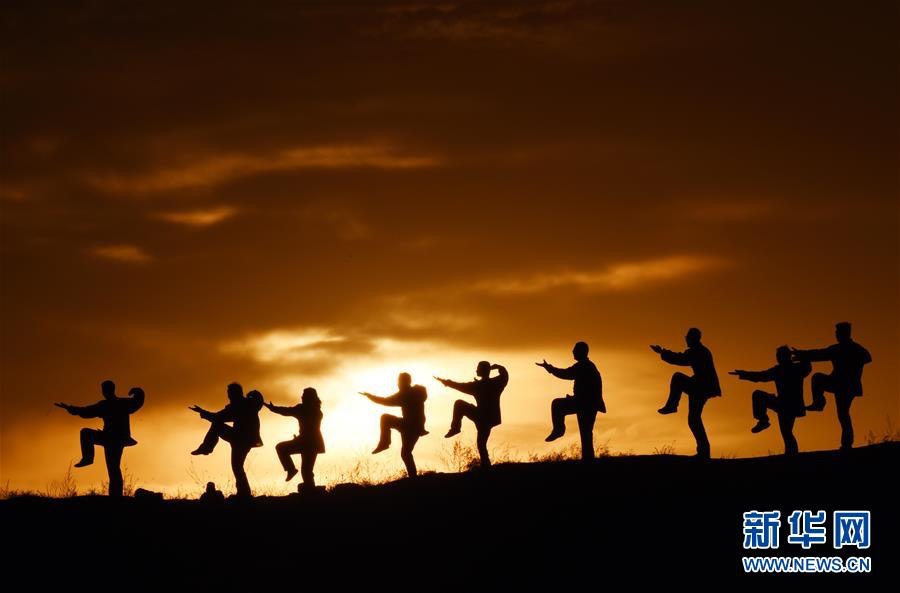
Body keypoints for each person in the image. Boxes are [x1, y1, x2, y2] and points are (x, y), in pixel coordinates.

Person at [55, 380, 145, 497]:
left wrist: (138, 391)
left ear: (107, 391)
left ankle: (115, 494)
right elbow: (87, 411)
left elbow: (138, 401)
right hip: (111, 438)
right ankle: (88, 459)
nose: (104, 392)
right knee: (113, 467)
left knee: (113, 467)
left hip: (113, 439)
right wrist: (71, 408)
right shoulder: (117, 404)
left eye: (104, 390)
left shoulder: (113, 404)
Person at [791, 322, 872, 450]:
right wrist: (802, 354)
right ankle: (819, 402)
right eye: (836, 333)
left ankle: (846, 444)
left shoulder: (853, 348)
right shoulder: (838, 349)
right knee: (818, 379)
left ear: (844, 334)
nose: (836, 335)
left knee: (843, 413)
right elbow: (819, 354)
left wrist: (852, 362)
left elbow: (868, 358)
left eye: (838, 333)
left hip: (848, 385)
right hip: (838, 383)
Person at [652, 328, 721, 460]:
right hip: (700, 386)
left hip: (701, 387)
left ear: (693, 338)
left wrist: (662, 352)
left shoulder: (698, 351)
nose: (686, 340)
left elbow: (680, 359)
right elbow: (682, 358)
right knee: (694, 419)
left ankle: (672, 406)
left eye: (688, 337)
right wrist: (663, 352)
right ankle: (704, 452)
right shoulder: (699, 350)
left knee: (677, 377)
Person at [730, 346, 812, 455]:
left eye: (780, 356)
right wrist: (744, 374)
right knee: (758, 395)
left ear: (786, 357)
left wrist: (802, 356)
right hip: (782, 403)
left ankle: (791, 454)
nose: (778, 359)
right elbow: (761, 376)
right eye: (778, 356)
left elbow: (807, 367)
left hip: (790, 405)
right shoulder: (782, 369)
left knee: (786, 432)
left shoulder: (795, 369)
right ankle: (763, 420)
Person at [189, 383, 263, 498]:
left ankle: (206, 448)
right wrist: (254, 394)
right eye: (228, 394)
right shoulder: (248, 403)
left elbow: (219, 417)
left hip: (240, 438)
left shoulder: (240, 405)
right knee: (237, 467)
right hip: (242, 439)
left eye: (230, 393)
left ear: (236, 393)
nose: (228, 396)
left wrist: (202, 412)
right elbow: (258, 402)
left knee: (217, 425)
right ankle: (244, 493)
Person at [536, 341, 606, 461]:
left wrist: (550, 368)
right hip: (586, 403)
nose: (572, 351)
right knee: (586, 433)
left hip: (585, 403)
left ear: (581, 352)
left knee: (557, 404)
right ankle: (588, 458)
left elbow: (566, 374)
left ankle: (559, 430)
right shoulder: (587, 365)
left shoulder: (584, 366)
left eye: (575, 350)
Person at [435, 361, 509, 468]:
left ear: (482, 370)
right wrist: (498, 367)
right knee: (481, 444)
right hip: (490, 418)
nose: (476, 370)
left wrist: (447, 382)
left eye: (478, 368)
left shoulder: (478, 385)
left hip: (481, 416)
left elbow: (459, 386)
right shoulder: (496, 383)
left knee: (459, 404)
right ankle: (485, 465)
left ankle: (455, 428)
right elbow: (505, 375)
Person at [360, 373, 428, 477]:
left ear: (405, 382)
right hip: (414, 427)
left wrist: (370, 396)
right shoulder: (416, 391)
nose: (398, 384)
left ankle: (385, 443)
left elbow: (385, 401)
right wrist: (370, 396)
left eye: (399, 381)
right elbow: (386, 400)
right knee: (405, 453)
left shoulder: (407, 394)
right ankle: (413, 477)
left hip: (409, 426)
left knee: (385, 418)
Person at [264, 387, 325, 488]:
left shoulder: (302, 409)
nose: (301, 397)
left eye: (304, 395)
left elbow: (286, 411)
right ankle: (310, 487)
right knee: (307, 469)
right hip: (314, 442)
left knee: (281, 448)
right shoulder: (318, 411)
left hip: (306, 442)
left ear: (308, 398)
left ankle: (291, 470)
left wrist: (273, 408)